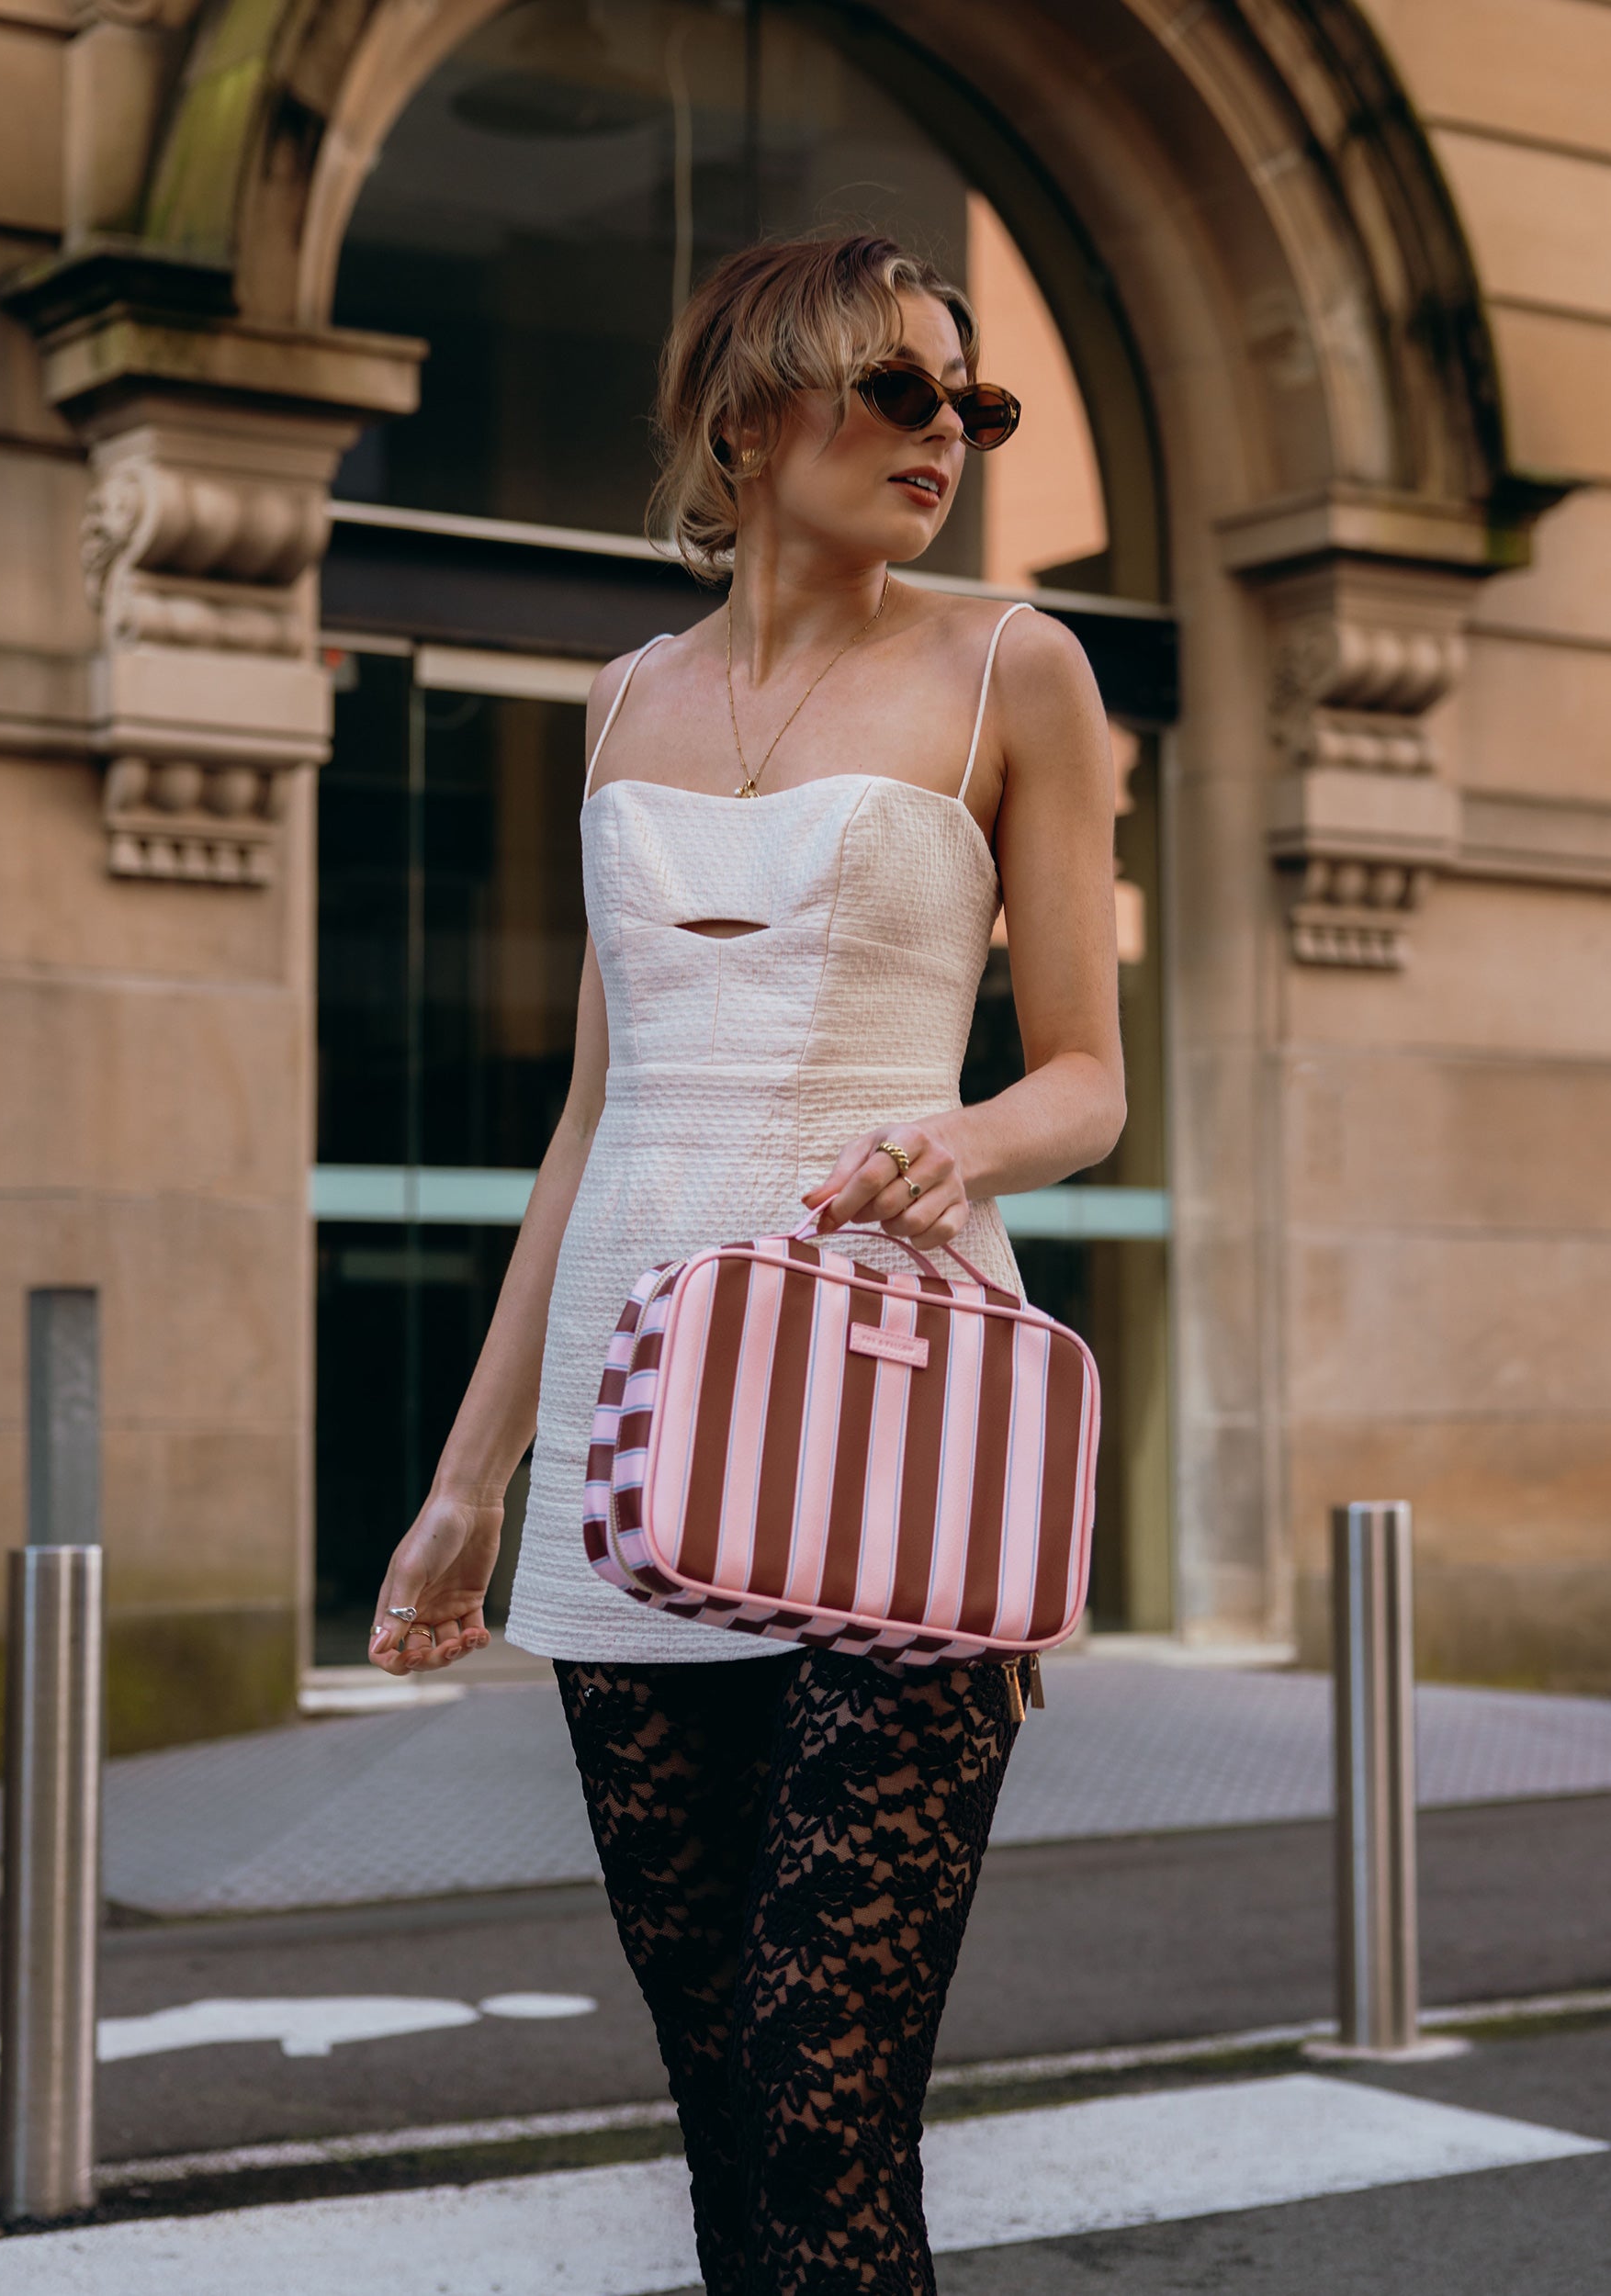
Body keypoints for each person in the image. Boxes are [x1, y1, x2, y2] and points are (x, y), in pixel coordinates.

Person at [366, 231, 1125, 2293]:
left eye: (972, 403)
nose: (947, 437)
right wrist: (463, 1482)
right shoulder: (620, 699)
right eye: (900, 391)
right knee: (722, 2111)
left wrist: (954, 1134)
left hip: (892, 1421)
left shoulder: (1012, 668)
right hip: (632, 1445)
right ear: (747, 412)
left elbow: (1084, 1076)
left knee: (819, 2101)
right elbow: (590, 1121)